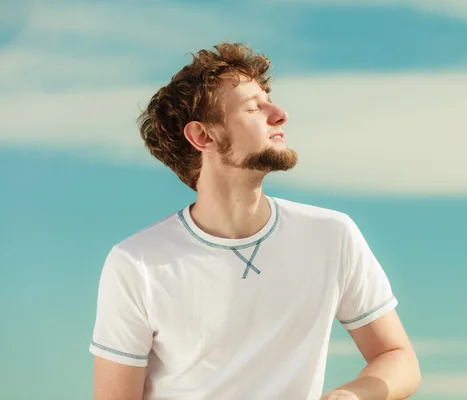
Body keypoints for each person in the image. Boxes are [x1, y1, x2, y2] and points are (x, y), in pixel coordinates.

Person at [89, 42, 421, 400]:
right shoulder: (136, 263)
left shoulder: (331, 236)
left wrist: (352, 397)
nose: (279, 114)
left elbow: (396, 356)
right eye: (253, 107)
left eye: (269, 100)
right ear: (203, 136)